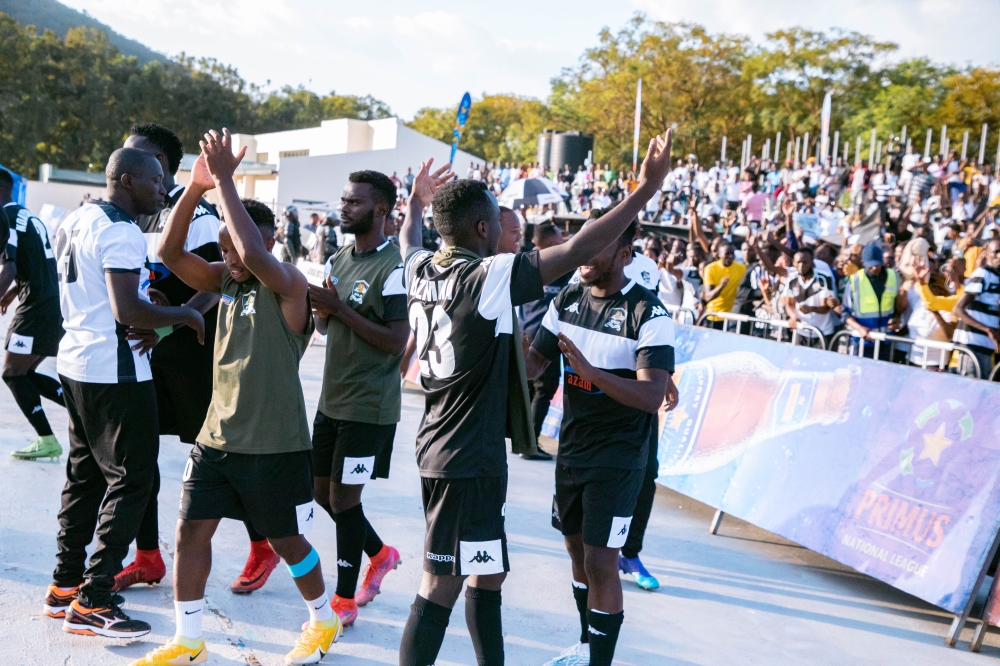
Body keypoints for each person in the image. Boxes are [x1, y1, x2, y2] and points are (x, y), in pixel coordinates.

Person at [396, 130, 672, 666]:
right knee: (438, 584)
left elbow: (409, 240)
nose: (510, 231)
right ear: (483, 229)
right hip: (464, 457)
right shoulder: (487, 276)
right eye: (502, 222)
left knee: (489, 569)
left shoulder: (419, 268)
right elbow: (576, 250)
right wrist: (646, 189)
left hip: (454, 445)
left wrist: (414, 204)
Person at [133, 130, 338, 665]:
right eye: (221, 249)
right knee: (190, 530)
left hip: (275, 445)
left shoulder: (290, 285)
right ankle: (188, 639)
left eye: (235, 248)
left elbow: (249, 249)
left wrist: (224, 177)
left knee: (288, 541)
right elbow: (170, 251)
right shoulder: (227, 283)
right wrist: (196, 188)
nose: (229, 258)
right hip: (216, 437)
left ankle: (322, 619)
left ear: (268, 243)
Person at [117, 123, 281, 595]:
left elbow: (218, 287)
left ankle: (263, 545)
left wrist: (170, 322)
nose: (126, 162)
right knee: (139, 455)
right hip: (150, 355)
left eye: (137, 155)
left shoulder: (204, 215)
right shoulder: (140, 214)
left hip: (193, 356)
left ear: (162, 165)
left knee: (224, 461)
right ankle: (147, 556)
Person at [48, 148, 205, 638]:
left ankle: (64, 587)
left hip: (75, 362)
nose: (164, 190)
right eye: (158, 181)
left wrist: (147, 301)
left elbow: (109, 294)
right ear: (131, 181)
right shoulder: (122, 230)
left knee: (85, 479)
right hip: (114, 372)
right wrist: (184, 315)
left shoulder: (78, 219)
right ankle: (94, 600)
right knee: (133, 481)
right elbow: (125, 313)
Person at [525, 213, 677, 666]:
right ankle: (587, 646)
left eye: (598, 244)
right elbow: (534, 362)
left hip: (619, 457)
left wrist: (592, 374)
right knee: (575, 550)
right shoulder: (569, 296)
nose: (584, 253)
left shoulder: (649, 313)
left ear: (625, 254)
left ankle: (599, 662)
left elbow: (652, 396)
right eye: (581, 241)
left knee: (601, 561)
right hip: (571, 450)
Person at [307, 170, 409, 627]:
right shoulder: (338, 258)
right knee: (321, 494)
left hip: (369, 407)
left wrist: (339, 310)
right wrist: (322, 312)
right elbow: (326, 327)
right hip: (333, 399)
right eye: (343, 200)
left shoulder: (395, 269)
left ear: (381, 210)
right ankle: (380, 553)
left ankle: (344, 600)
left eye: (353, 202)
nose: (344, 208)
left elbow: (395, 341)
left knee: (345, 500)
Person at [0, 168, 65, 460]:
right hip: (51, 304)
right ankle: (88, 418)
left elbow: (10, 266)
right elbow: (36, 263)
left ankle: (47, 439)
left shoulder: (6, 218)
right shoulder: (28, 215)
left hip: (36, 310)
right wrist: (14, 291)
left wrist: (9, 287)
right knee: (24, 373)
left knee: (12, 373)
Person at [518, 223, 567, 462]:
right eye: (559, 236)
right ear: (549, 242)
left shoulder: (525, 261)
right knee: (543, 389)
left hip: (527, 331)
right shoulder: (550, 263)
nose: (563, 240)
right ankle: (529, 443)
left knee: (530, 388)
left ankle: (522, 440)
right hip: (542, 335)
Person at [842, 244, 907, 360]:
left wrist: (897, 318)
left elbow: (898, 306)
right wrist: (860, 328)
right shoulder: (854, 280)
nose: (875, 268)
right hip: (862, 342)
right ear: (863, 263)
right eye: (871, 266)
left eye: (877, 264)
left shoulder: (894, 276)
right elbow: (845, 312)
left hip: (885, 341)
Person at [952, 239, 1000, 378]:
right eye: (996, 252)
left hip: (985, 349)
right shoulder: (983, 274)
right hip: (971, 346)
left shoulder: (996, 277)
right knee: (971, 393)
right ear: (987, 254)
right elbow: (958, 309)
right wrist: (987, 329)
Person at [702, 243, 746, 328]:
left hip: (732, 316)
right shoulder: (710, 269)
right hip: (714, 316)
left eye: (732, 253)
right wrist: (721, 286)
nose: (730, 256)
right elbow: (708, 297)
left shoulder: (741, 268)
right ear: (719, 254)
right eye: (727, 254)